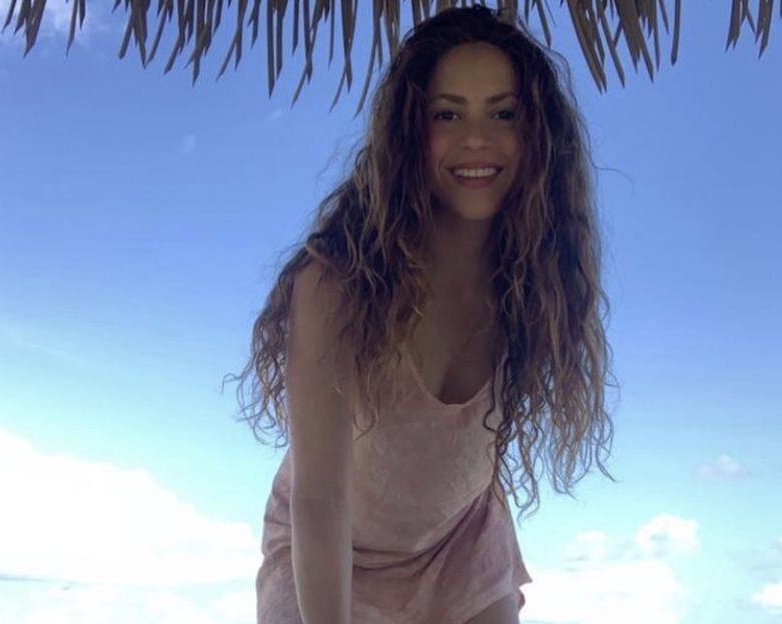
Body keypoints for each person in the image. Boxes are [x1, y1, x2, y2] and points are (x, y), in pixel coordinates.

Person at [223, 4, 617, 623]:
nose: (476, 138)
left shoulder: (535, 289)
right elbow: (320, 499)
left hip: (461, 546)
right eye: (447, 114)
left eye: (504, 113)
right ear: (409, 131)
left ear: (537, 136)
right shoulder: (338, 285)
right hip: (332, 548)